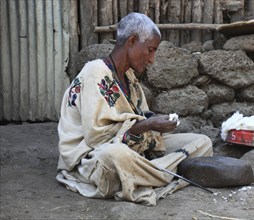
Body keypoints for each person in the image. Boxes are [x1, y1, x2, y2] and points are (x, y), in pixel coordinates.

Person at [56, 12, 213, 206]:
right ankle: (162, 173)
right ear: (131, 41)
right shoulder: (94, 72)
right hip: (92, 160)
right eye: (150, 50)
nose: (152, 59)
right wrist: (147, 124)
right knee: (115, 156)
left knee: (203, 142)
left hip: (134, 150)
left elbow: (140, 115)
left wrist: (155, 120)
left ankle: (144, 175)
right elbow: (96, 138)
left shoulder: (129, 78)